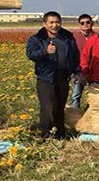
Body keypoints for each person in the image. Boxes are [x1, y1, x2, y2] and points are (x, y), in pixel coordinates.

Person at [26, 11, 80, 139]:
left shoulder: (68, 38)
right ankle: (45, 134)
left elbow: (74, 56)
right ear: (44, 24)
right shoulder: (37, 39)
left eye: (57, 22)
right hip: (46, 77)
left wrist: (77, 72)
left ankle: (60, 134)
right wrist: (45, 51)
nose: (54, 25)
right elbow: (31, 54)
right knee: (47, 107)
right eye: (51, 22)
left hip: (63, 76)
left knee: (59, 107)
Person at [71, 13, 95, 108]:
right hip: (79, 70)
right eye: (82, 23)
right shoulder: (74, 37)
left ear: (92, 24)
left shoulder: (97, 37)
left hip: (94, 70)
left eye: (88, 22)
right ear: (79, 25)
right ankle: (74, 114)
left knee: (95, 94)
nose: (85, 24)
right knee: (76, 95)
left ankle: (91, 112)